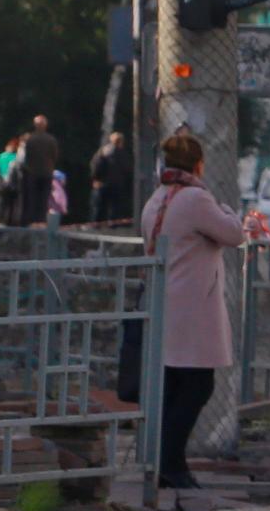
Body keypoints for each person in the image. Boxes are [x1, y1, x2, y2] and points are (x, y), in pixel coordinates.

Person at [141, 131, 245, 491]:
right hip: (192, 307)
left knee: (173, 387)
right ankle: (170, 463)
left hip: (164, 304)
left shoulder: (158, 198)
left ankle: (164, 461)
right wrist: (232, 210)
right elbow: (233, 233)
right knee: (198, 386)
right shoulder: (196, 199)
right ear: (198, 164)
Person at [18, 115, 61, 226]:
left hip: (31, 173)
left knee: (30, 199)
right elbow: (55, 156)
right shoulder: (51, 140)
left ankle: (27, 222)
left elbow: (25, 157)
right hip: (47, 173)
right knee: (43, 199)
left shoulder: (30, 139)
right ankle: (41, 221)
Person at [89, 132, 133, 223]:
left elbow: (96, 165)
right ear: (121, 142)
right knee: (115, 207)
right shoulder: (123, 154)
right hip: (117, 184)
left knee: (99, 206)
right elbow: (128, 168)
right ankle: (113, 224)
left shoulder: (103, 151)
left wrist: (96, 178)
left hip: (102, 183)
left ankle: (96, 224)